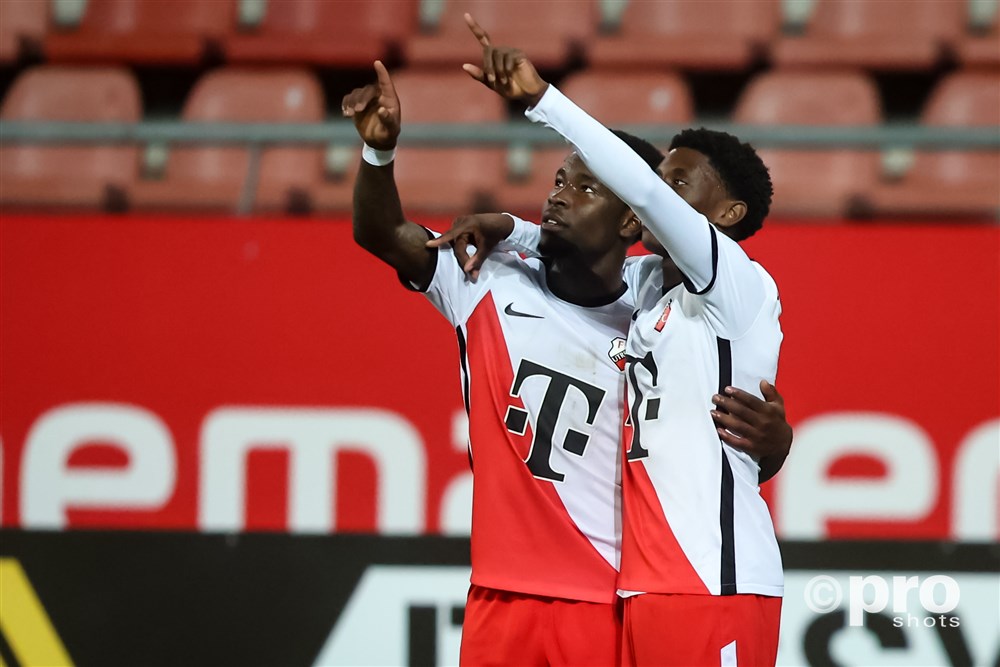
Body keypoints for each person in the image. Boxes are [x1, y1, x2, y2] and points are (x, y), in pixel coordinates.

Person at [343, 57, 789, 666]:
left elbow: (722, 402)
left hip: (613, 595)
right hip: (504, 592)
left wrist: (775, 443)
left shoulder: (657, 295)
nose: (558, 194)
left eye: (584, 187)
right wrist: (380, 156)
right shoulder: (486, 277)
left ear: (634, 216)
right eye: (558, 182)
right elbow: (382, 233)